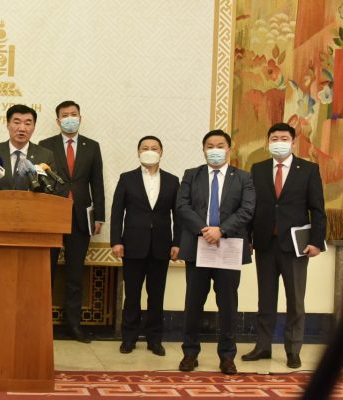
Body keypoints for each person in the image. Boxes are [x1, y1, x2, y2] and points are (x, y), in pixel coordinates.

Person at [242, 122, 326, 369]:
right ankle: (263, 346)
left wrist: (316, 242)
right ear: (267, 142)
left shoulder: (308, 169)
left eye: (284, 138)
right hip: (265, 244)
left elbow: (317, 209)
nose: (279, 142)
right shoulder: (258, 169)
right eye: (274, 139)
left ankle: (293, 349)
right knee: (265, 299)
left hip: (296, 247)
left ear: (293, 142)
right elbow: (250, 208)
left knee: (295, 301)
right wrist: (247, 239)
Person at [176, 129, 255, 375]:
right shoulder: (191, 175)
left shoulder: (243, 177)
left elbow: (247, 209)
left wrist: (221, 230)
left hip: (228, 247)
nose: (215, 150)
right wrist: (204, 230)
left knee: (228, 305)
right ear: (203, 150)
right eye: (210, 146)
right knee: (193, 304)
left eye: (220, 145)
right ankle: (190, 353)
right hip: (198, 246)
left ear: (229, 149)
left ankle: (227, 356)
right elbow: (182, 205)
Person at [39, 100, 104, 343]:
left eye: (73, 114)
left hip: (80, 219)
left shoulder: (92, 146)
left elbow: (97, 182)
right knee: (46, 272)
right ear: (57, 121)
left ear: (80, 117)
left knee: (75, 275)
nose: (70, 118)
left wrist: (99, 216)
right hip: (51, 217)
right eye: (65, 115)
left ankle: (73, 325)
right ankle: (41, 324)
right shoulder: (45, 146)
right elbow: (40, 182)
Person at [110, 136, 180, 355]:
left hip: (161, 246)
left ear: (161, 152)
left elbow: (178, 215)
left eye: (154, 148)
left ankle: (154, 339)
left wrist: (177, 243)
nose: (149, 151)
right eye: (145, 148)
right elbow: (117, 212)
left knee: (156, 296)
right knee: (132, 295)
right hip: (132, 245)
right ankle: (128, 338)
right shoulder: (127, 178)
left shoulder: (172, 180)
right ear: (138, 152)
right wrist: (116, 241)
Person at [0, 104, 55, 192]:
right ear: (8, 124)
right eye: (17, 123)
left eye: (28, 124)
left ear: (34, 127)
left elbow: (50, 190)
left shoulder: (45, 155)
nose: (22, 129)